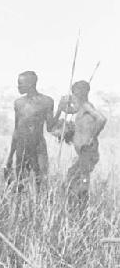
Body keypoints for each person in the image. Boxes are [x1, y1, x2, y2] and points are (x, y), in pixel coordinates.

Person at [55, 80, 106, 211]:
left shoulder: (87, 106)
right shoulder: (82, 107)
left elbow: (101, 119)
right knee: (72, 176)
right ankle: (77, 207)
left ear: (82, 94)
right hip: (84, 152)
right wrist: (61, 106)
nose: (74, 97)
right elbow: (71, 110)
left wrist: (92, 136)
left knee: (82, 179)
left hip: (88, 151)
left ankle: (82, 208)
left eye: (75, 94)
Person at [5, 71, 54, 190]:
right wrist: (10, 156)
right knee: (20, 182)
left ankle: (41, 207)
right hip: (22, 146)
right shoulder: (18, 103)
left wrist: (60, 110)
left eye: (20, 84)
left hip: (38, 146)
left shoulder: (46, 101)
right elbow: (16, 130)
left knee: (41, 181)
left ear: (31, 84)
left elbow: (50, 127)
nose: (18, 86)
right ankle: (21, 207)